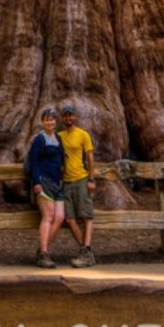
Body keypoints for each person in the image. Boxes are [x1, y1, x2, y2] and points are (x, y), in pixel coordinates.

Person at [59, 102, 96, 267]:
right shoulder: (59, 136)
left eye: (70, 115)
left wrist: (91, 179)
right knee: (69, 219)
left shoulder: (83, 135)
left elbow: (90, 157)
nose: (68, 118)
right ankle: (86, 252)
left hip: (81, 179)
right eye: (65, 115)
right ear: (63, 118)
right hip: (66, 182)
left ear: (75, 116)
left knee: (86, 216)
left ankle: (86, 251)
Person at [29, 106, 66, 268]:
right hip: (44, 181)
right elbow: (33, 161)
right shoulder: (40, 139)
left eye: (52, 119)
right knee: (48, 217)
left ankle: (41, 250)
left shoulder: (58, 138)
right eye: (47, 120)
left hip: (57, 183)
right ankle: (44, 254)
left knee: (60, 217)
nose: (50, 122)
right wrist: (36, 181)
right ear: (42, 122)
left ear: (55, 121)